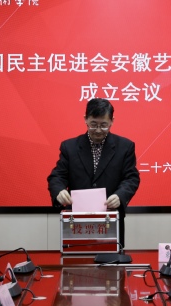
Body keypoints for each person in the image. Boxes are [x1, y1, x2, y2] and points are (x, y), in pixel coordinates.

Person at [47, 98, 140, 247]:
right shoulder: (69, 147)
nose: (98, 130)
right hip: (76, 221)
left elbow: (131, 178)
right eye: (93, 124)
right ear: (85, 119)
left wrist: (120, 196)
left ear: (112, 121)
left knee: (111, 259)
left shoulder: (125, 147)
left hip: (110, 219)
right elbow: (57, 176)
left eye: (103, 125)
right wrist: (59, 191)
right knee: (76, 260)